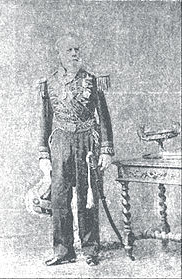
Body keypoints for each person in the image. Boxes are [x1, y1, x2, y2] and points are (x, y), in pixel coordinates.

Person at [37, 33, 114, 266]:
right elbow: (44, 120)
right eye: (69, 50)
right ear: (60, 54)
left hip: (87, 143)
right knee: (60, 197)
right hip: (60, 142)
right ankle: (63, 251)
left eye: (77, 50)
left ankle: (90, 249)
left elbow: (104, 118)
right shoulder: (48, 83)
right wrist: (43, 154)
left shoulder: (93, 80)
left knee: (87, 196)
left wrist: (106, 150)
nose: (74, 54)